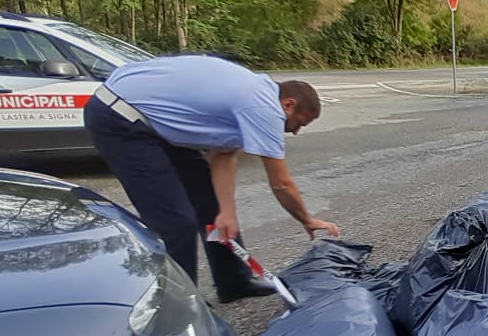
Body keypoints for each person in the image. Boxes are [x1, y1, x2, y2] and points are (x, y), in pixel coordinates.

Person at [83, 53, 339, 303]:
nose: (294, 131)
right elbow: (281, 183)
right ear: (289, 104)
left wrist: (225, 212)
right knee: (176, 222)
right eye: (299, 123)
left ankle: (234, 283)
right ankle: (177, 304)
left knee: (212, 208)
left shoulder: (255, 96)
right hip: (119, 118)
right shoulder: (264, 107)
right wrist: (306, 219)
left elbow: (224, 156)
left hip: (155, 121)